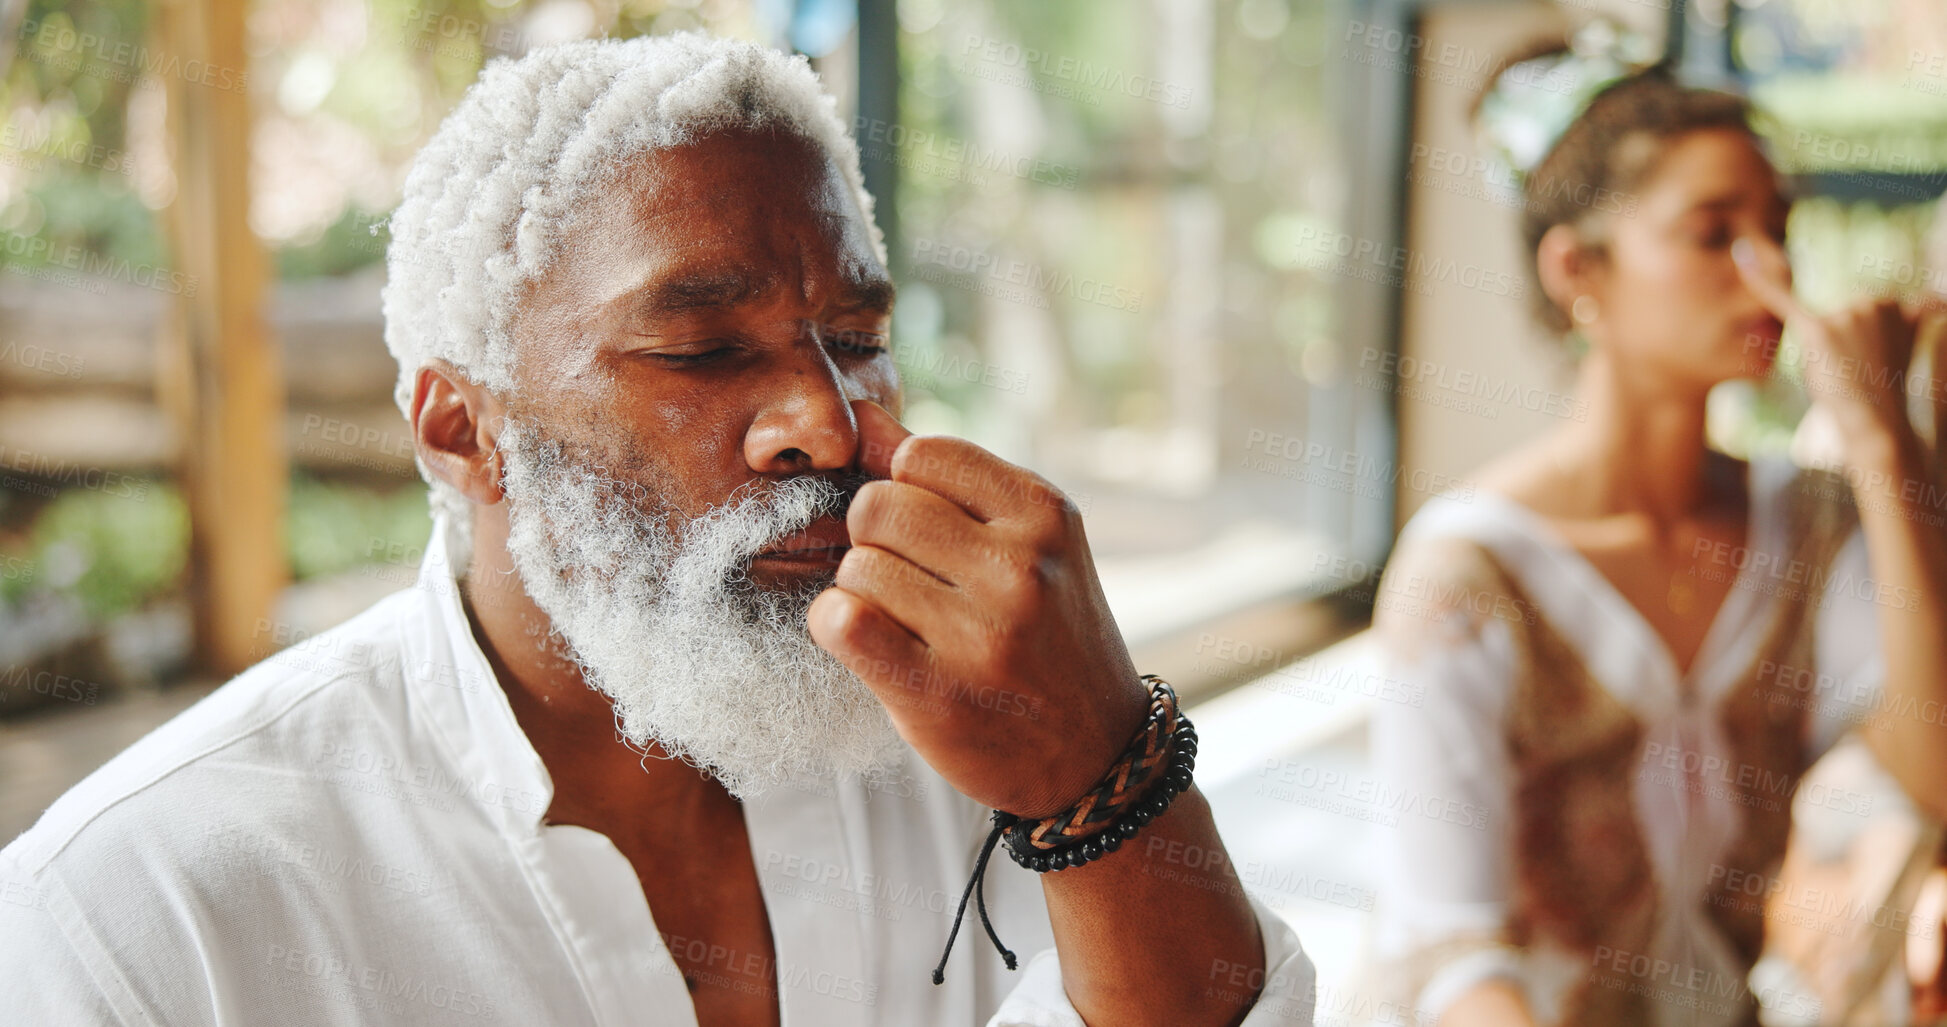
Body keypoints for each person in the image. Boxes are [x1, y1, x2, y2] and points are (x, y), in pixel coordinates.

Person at [0, 34, 1316, 1026]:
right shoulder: (144, 908)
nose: (821, 412)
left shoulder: (970, 735)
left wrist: (1109, 769)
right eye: (697, 347)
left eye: (855, 340)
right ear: (461, 429)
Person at [1366, 29, 1947, 1027]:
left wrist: (1886, 446)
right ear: (1576, 272)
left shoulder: (1810, 521)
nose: (1768, 269)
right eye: (1713, 233)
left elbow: (1931, 767)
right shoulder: (1466, 575)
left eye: (1780, 229)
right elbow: (1453, 955)